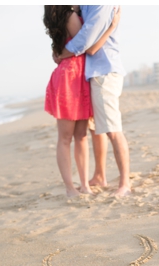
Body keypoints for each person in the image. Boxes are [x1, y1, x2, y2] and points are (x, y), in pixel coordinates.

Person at [43, 5, 121, 197]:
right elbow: (87, 45)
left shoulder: (63, 15)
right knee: (67, 137)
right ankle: (71, 188)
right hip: (72, 76)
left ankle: (84, 185)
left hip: (78, 76)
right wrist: (111, 27)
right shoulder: (70, 15)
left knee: (80, 136)